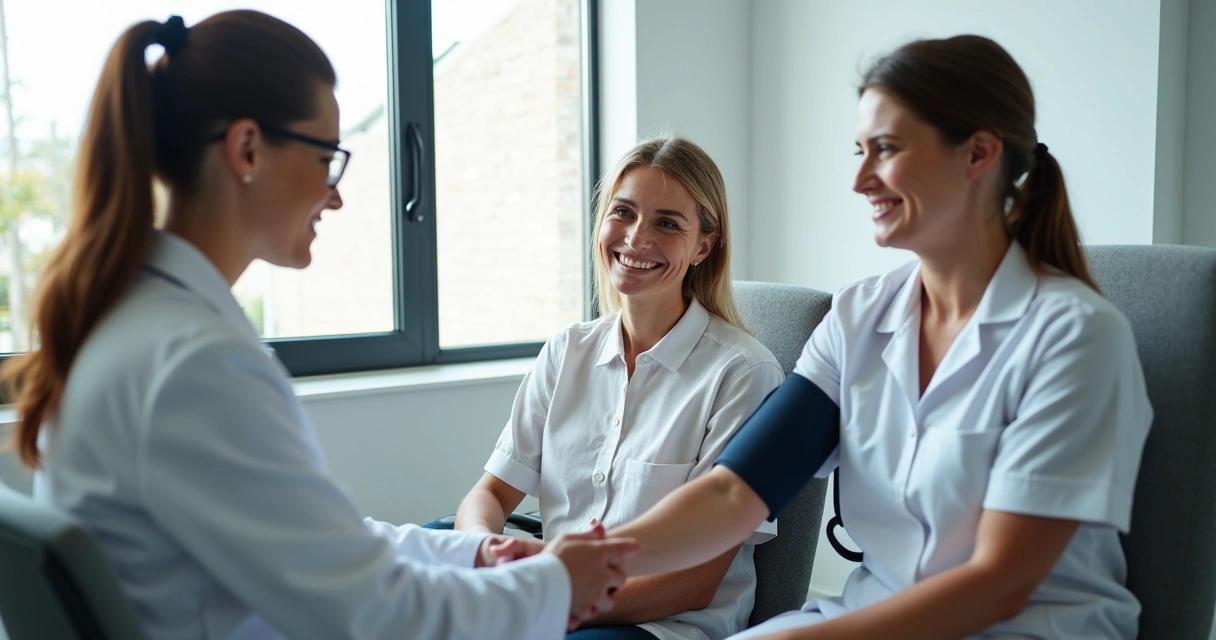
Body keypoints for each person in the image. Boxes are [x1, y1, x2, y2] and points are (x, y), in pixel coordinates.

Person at [0, 12, 636, 640]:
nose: (335, 195)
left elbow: (316, 541)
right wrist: (553, 585)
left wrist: (471, 556)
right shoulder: (196, 363)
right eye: (327, 157)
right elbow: (374, 615)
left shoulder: (129, 323)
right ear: (247, 148)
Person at [602, 35, 1153, 639]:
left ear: (977, 154)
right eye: (859, 151)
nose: (861, 180)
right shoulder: (859, 317)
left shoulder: (1075, 338)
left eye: (885, 150)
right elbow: (734, 495)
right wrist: (573, 564)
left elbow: (999, 584)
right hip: (870, 615)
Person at [446, 136, 783, 640]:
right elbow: (491, 492)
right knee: (416, 564)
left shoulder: (742, 374)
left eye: (668, 223)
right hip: (553, 592)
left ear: (703, 246)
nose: (636, 238)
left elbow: (694, 582)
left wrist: (538, 605)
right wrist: (479, 549)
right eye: (623, 212)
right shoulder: (567, 351)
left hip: (659, 623)